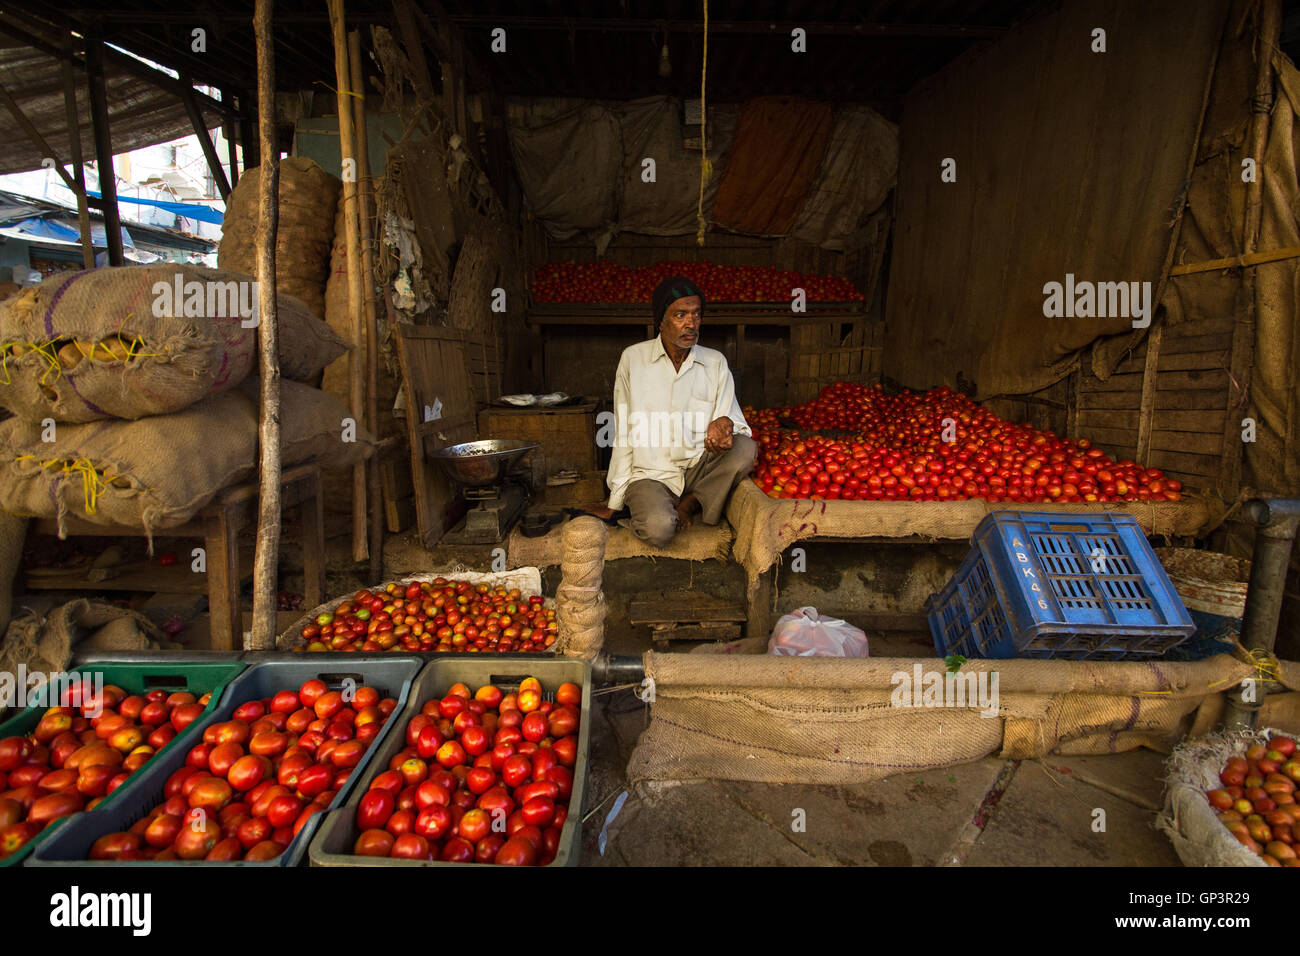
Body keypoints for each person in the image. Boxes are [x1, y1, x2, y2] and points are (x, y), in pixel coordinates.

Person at [583, 276, 757, 546]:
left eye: (696, 314)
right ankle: (654, 508)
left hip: (699, 466)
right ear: (660, 321)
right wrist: (615, 499)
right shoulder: (633, 359)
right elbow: (625, 432)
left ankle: (690, 503)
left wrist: (724, 424)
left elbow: (736, 425)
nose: (691, 323)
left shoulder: (715, 362)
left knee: (745, 449)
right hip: (651, 474)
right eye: (680, 315)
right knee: (659, 530)